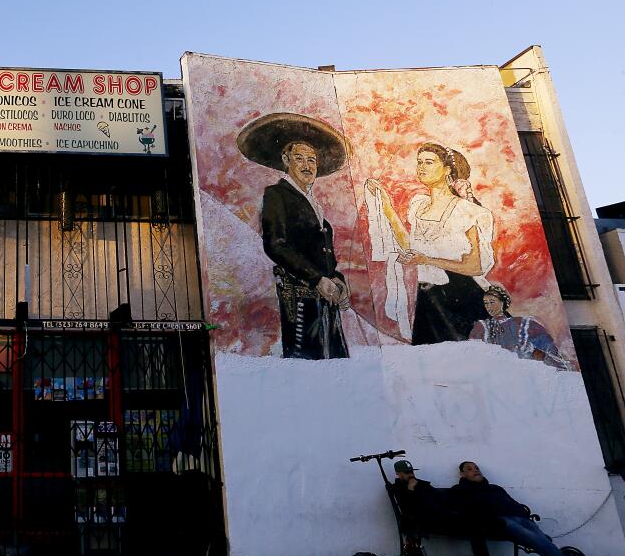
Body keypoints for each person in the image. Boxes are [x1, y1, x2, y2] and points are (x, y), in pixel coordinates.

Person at [238, 113, 352, 359]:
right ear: (285, 160)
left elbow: (321, 250)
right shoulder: (277, 194)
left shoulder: (313, 201)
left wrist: (336, 278)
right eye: (299, 158)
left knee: (334, 363)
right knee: (308, 361)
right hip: (300, 298)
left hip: (326, 297)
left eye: (311, 160)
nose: (306, 165)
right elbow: (276, 245)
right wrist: (317, 279)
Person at [366, 143, 495, 345]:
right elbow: (411, 246)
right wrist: (387, 206)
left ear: (447, 170)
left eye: (429, 162)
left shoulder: (470, 212)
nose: (421, 167)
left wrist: (427, 260)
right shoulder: (419, 205)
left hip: (460, 296)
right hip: (427, 298)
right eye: (419, 162)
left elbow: (475, 266)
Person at [450, 461, 612, 556]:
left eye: (477, 468)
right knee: (543, 545)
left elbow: (511, 501)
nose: (475, 470)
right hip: (500, 522)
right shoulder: (461, 490)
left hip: (523, 519)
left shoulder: (495, 488)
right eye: (470, 469)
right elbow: (464, 509)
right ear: (462, 474)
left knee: (547, 546)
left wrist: (521, 510)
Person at [390, 460, 497, 556]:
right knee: (476, 529)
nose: (410, 475)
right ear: (398, 474)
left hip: (445, 514)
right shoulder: (400, 489)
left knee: (476, 524)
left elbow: (439, 498)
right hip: (430, 520)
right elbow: (409, 510)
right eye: (406, 473)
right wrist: (411, 490)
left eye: (411, 471)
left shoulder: (422, 484)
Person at [468, 285, 571, 369]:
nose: (488, 306)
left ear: (502, 302)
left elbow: (550, 350)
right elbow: (473, 355)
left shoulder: (523, 324)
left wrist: (543, 359)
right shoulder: (481, 327)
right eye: (486, 303)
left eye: (492, 302)